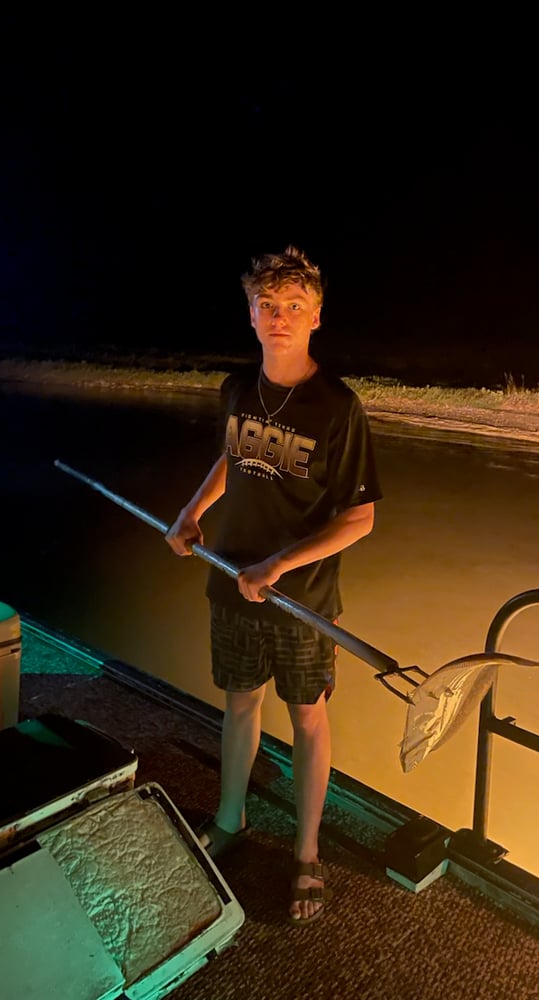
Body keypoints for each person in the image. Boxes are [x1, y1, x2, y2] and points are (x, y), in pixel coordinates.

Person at [165, 246, 382, 925]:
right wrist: (191, 511)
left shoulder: (338, 407)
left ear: (316, 315)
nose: (279, 319)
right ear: (251, 315)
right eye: (268, 307)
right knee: (237, 703)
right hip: (232, 579)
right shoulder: (237, 389)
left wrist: (281, 566)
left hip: (302, 601)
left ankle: (308, 852)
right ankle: (229, 823)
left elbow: (361, 518)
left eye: (294, 308)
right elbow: (236, 454)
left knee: (309, 717)